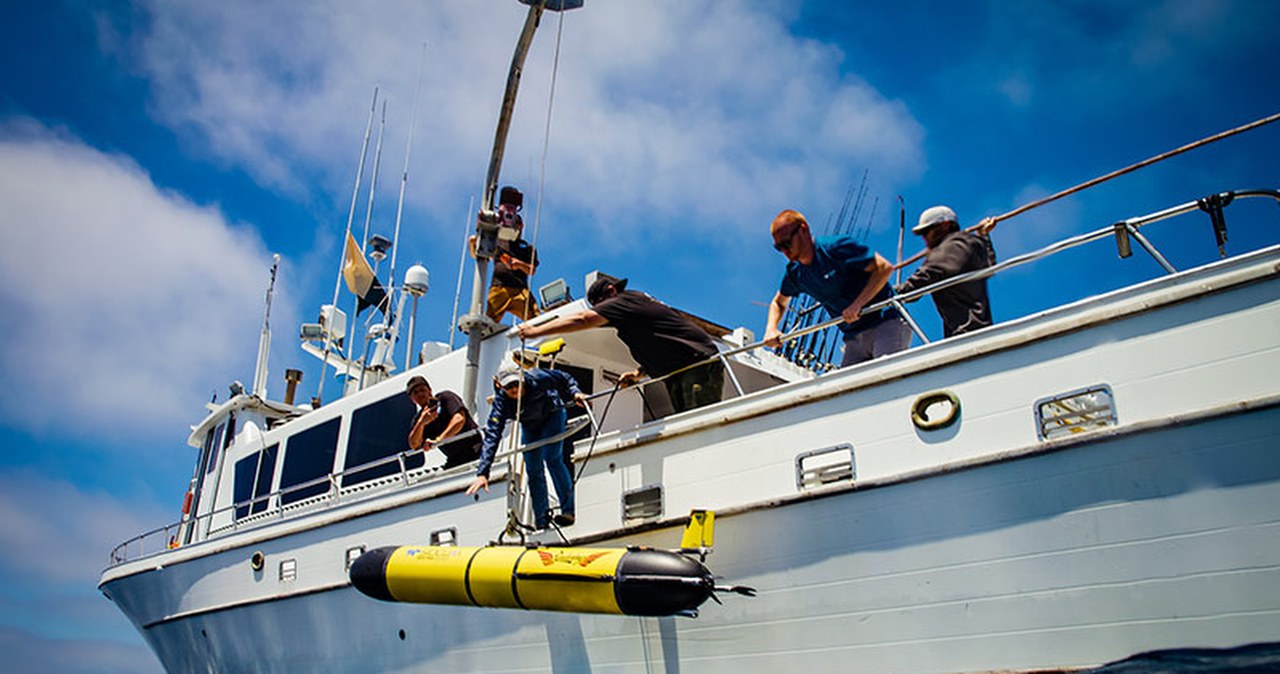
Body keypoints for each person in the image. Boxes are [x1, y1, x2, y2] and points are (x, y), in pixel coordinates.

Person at [517, 277, 724, 414]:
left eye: (601, 306)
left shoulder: (624, 301)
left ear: (611, 292)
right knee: (685, 421)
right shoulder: (633, 310)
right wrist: (638, 374)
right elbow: (660, 344)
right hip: (679, 369)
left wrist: (534, 331)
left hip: (696, 364)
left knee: (698, 421)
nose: (603, 313)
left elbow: (582, 319)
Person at [764, 209, 912, 367]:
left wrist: (858, 304)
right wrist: (771, 328)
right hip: (853, 335)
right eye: (779, 247)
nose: (785, 251)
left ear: (804, 230)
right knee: (846, 388)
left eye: (787, 243)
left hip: (886, 321)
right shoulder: (795, 273)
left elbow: (883, 267)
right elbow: (778, 302)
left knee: (887, 375)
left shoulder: (834, 247)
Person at [465, 361, 587, 529]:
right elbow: (492, 435)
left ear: (522, 378)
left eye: (516, 384)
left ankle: (569, 511)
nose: (514, 390)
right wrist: (483, 473)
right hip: (530, 424)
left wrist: (575, 392)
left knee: (552, 458)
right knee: (532, 468)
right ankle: (541, 520)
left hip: (552, 414)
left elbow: (564, 378)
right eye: (509, 387)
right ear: (500, 386)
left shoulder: (538, 377)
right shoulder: (501, 403)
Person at [895, 206, 997, 338]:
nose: (925, 238)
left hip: (964, 334)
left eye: (927, 231)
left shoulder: (948, 249)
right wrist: (984, 235)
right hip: (982, 328)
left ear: (945, 225)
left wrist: (879, 292)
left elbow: (911, 290)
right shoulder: (973, 244)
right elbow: (989, 264)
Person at [470, 186, 539, 324]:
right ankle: (483, 342)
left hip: (521, 290)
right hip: (499, 288)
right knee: (486, 322)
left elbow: (532, 270)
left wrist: (517, 264)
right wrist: (472, 243)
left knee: (537, 320)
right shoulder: (496, 241)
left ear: (520, 226)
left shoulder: (527, 248)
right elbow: (477, 256)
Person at [406, 375, 481, 469]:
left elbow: (459, 419)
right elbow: (414, 445)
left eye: (422, 390)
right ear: (412, 399)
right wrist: (421, 423)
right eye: (415, 392)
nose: (420, 394)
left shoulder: (445, 398)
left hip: (476, 450)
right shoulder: (419, 419)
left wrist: (439, 440)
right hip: (455, 459)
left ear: (430, 390)